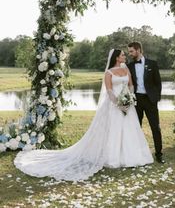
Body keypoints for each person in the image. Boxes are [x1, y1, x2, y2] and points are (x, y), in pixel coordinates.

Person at [14, 49, 153, 182]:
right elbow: (109, 90)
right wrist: (117, 102)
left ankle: (132, 156)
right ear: (117, 57)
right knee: (113, 130)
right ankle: (112, 157)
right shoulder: (109, 72)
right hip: (114, 105)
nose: (125, 56)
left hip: (127, 105)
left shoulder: (126, 69)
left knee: (130, 129)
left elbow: (131, 85)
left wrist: (129, 97)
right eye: (122, 55)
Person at [127, 42, 165, 164]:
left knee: (155, 127)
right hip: (137, 100)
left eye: (131, 51)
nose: (130, 53)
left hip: (150, 100)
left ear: (138, 50)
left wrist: (156, 98)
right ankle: (136, 155)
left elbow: (158, 83)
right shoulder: (129, 66)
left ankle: (159, 154)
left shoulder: (152, 64)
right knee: (136, 128)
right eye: (129, 51)